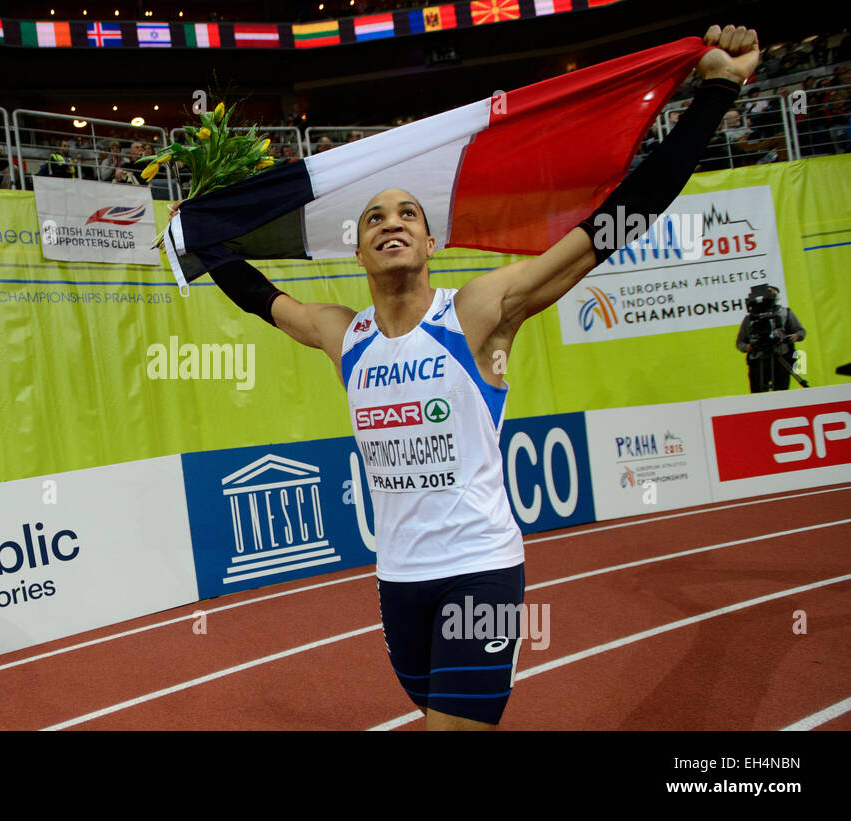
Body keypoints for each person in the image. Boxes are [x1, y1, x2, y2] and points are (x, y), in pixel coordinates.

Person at [196, 25, 759, 730]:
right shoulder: (345, 334)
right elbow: (257, 296)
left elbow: (618, 221)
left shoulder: (477, 313)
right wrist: (202, 233)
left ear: (433, 242)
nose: (390, 222)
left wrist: (716, 90)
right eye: (374, 217)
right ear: (358, 248)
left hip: (481, 567)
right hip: (397, 579)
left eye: (407, 213)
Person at [735, 285, 805, 392]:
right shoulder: (749, 318)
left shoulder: (784, 313)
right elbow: (740, 342)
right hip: (758, 360)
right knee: (758, 393)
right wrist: (747, 347)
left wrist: (795, 337)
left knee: (781, 391)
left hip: (781, 357)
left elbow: (801, 331)